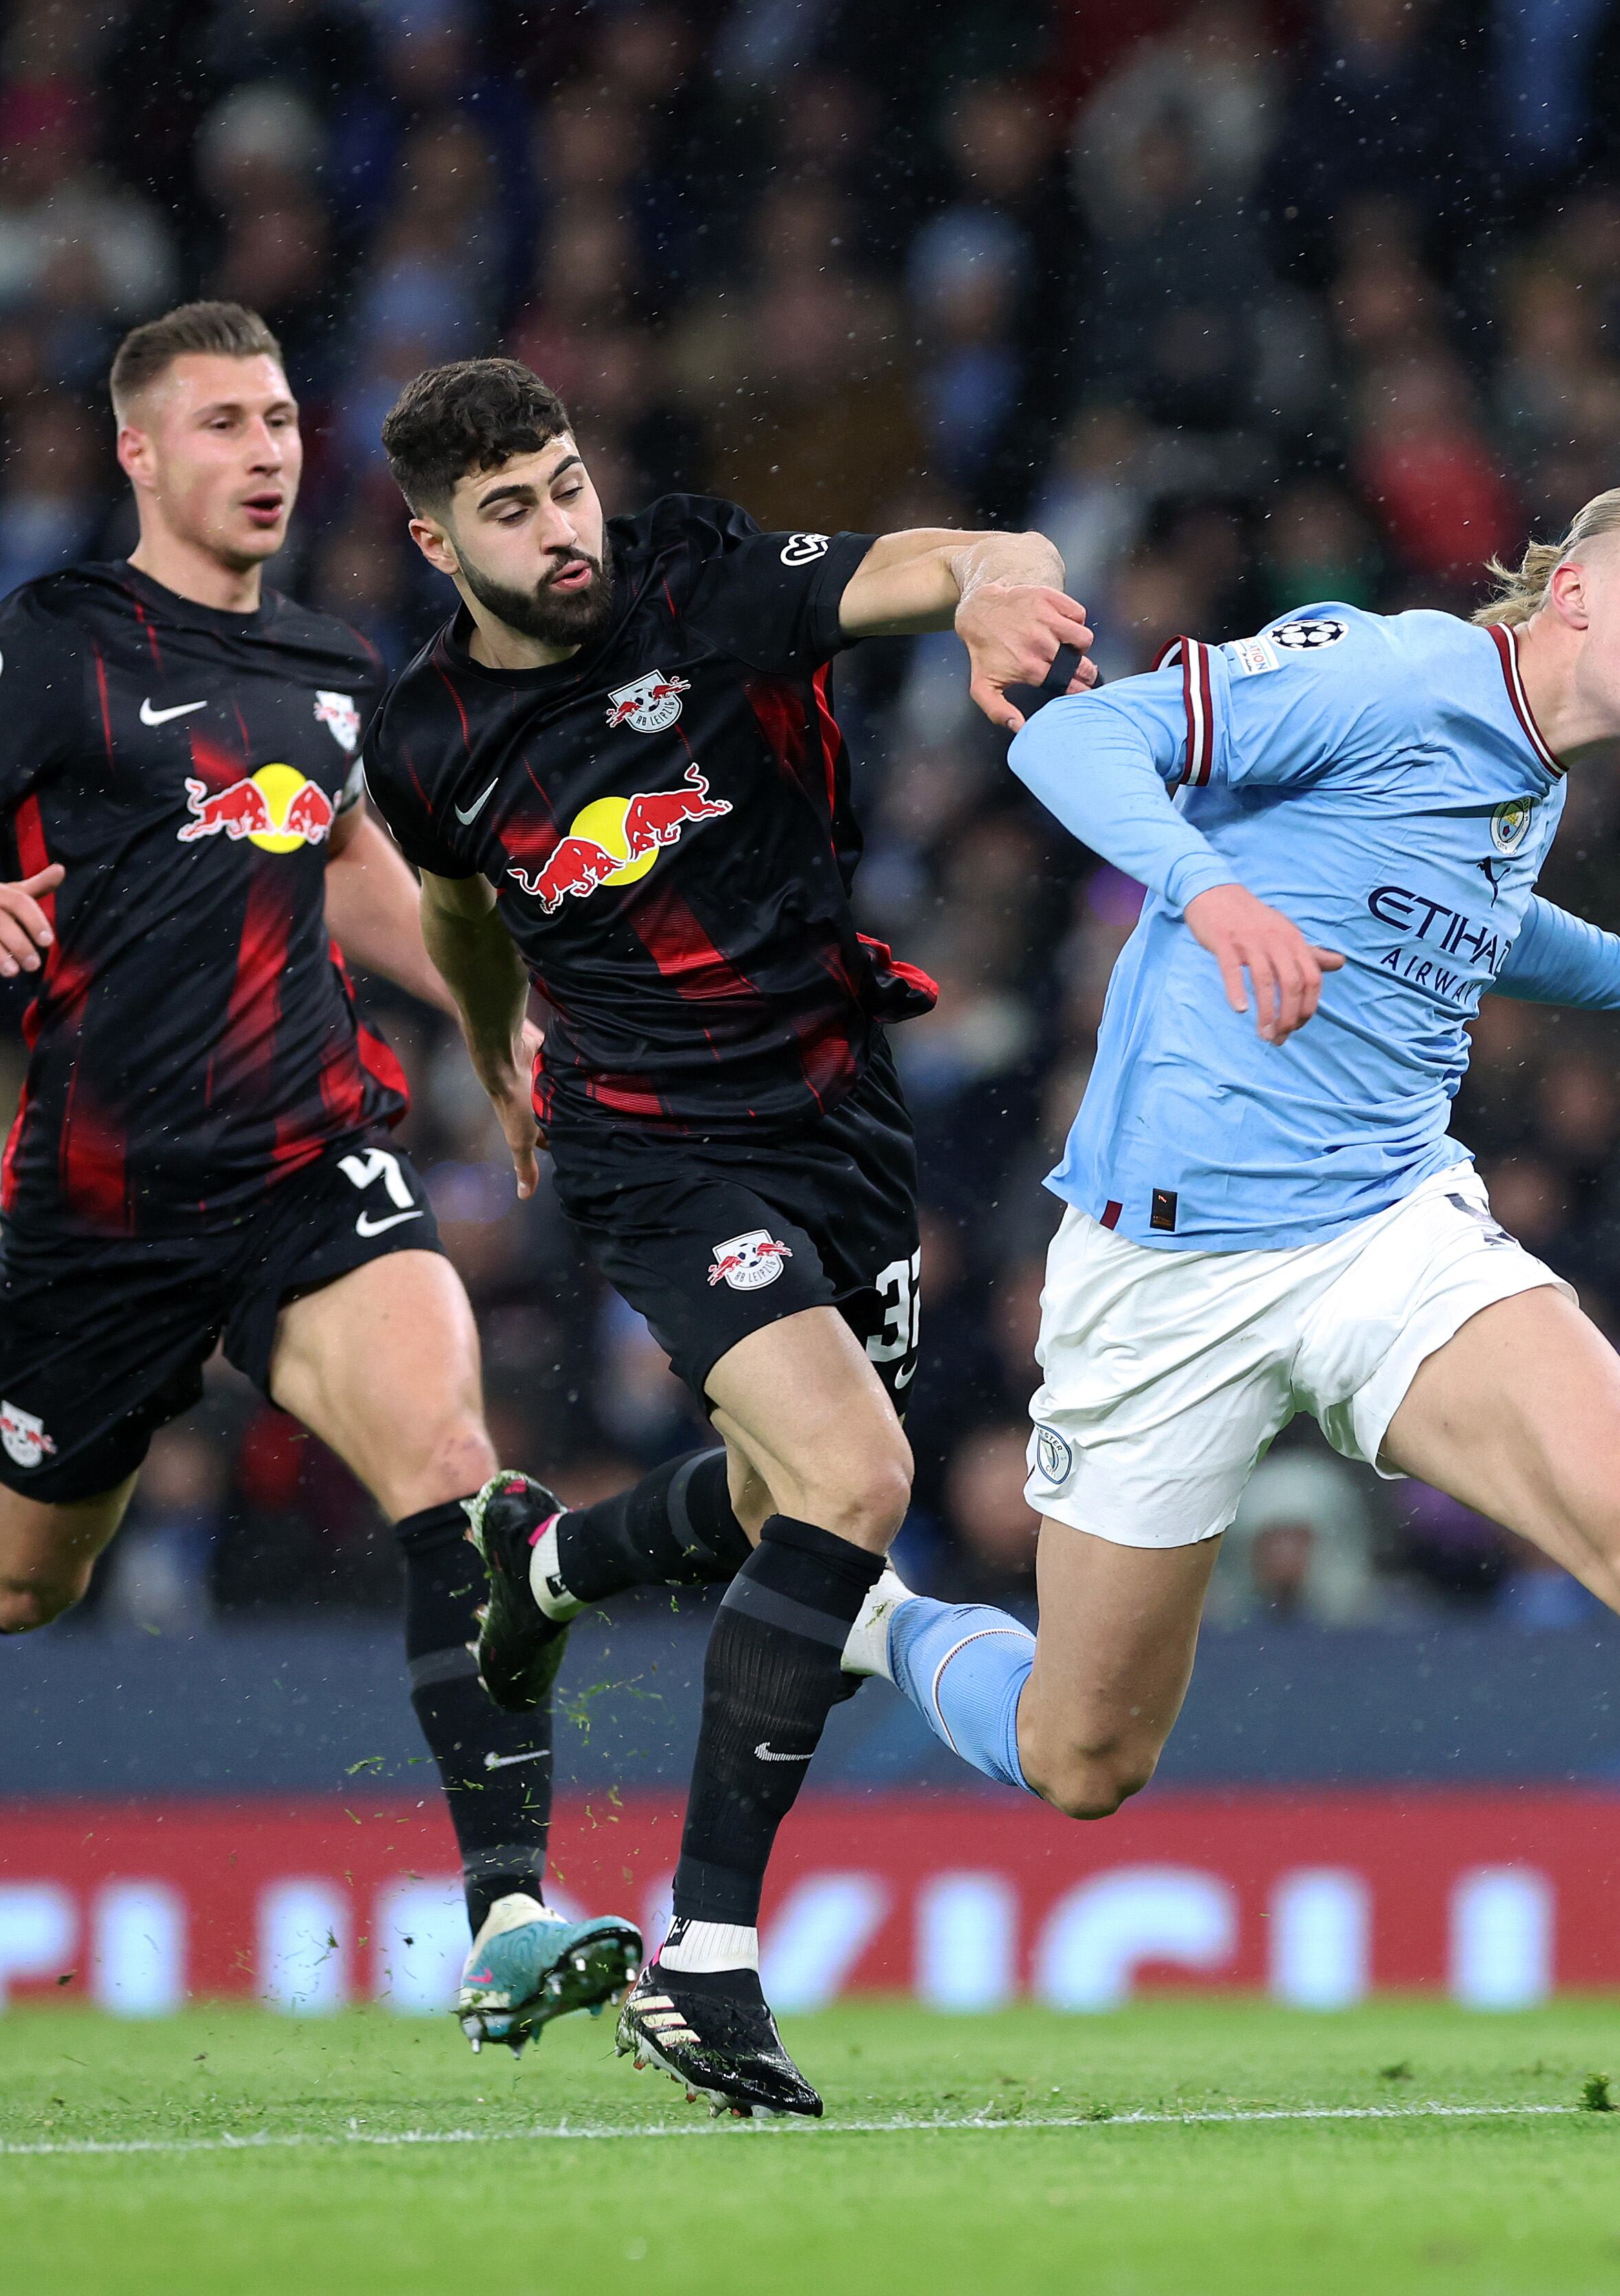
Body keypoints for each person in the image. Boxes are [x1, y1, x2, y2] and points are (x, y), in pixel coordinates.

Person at [863, 486, 1620, 2104]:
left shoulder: (1528, 769)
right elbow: (1071, 748)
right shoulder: (1391, 671)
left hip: (1383, 1226)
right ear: (1569, 593)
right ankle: (872, 1623)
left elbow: (1481, 925)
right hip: (1163, 1263)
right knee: (1083, 1759)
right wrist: (1212, 895)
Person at [0, 304, 636, 2062]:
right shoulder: (59, 643)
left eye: (277, 419)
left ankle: (502, 1913)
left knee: (457, 1476)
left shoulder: (331, 668)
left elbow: (343, 870)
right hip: (104, 1212)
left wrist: (496, 1016)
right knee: (29, 1585)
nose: (264, 453)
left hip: (307, 1158)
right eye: (223, 426)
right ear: (140, 455)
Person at [358, 356, 1094, 2117]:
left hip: (838, 1112)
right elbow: (462, 919)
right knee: (854, 1480)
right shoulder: (429, 741)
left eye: (562, 483)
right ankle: (707, 1961)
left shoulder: (694, 579)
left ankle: (540, 1574)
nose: (560, 529)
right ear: (433, 539)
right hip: (651, 1146)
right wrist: (489, 1054)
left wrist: (999, 578)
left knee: (788, 1513)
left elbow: (916, 563)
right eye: (512, 510)